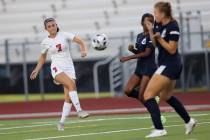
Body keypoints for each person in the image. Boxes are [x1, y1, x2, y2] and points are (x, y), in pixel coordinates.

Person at [143, 1, 197, 138]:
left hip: (170, 64)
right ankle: (189, 121)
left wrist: (160, 38)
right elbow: (155, 43)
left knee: (148, 95)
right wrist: (151, 31)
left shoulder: (173, 26)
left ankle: (159, 129)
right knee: (165, 96)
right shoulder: (158, 24)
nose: (154, 15)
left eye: (155, 13)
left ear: (163, 13)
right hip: (166, 63)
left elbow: (172, 50)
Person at [30, 18, 89, 131]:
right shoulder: (45, 42)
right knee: (71, 84)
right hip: (57, 68)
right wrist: (37, 69)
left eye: (53, 25)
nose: (52, 27)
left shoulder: (64, 35)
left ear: (57, 25)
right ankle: (80, 111)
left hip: (69, 68)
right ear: (46, 29)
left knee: (68, 98)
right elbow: (42, 57)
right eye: (49, 26)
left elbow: (80, 41)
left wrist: (83, 50)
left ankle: (61, 122)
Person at [120, 13, 166, 125]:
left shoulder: (152, 35)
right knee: (128, 90)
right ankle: (153, 100)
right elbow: (140, 53)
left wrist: (128, 57)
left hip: (148, 68)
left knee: (142, 95)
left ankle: (158, 116)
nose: (149, 24)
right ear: (142, 23)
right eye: (147, 21)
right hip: (140, 68)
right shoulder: (139, 36)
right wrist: (132, 50)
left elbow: (147, 53)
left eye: (151, 21)